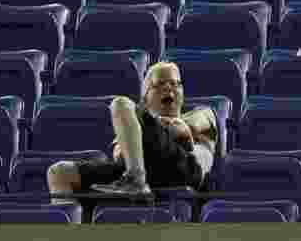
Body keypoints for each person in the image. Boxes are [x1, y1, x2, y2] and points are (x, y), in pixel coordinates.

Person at [47, 61, 216, 199]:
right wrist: (166, 128)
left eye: (175, 83)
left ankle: (136, 180)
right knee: (59, 172)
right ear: (146, 99)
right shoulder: (138, 123)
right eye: (160, 84)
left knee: (121, 104)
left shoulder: (202, 112)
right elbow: (118, 153)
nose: (169, 88)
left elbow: (192, 126)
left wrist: (175, 127)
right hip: (143, 164)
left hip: (183, 168)